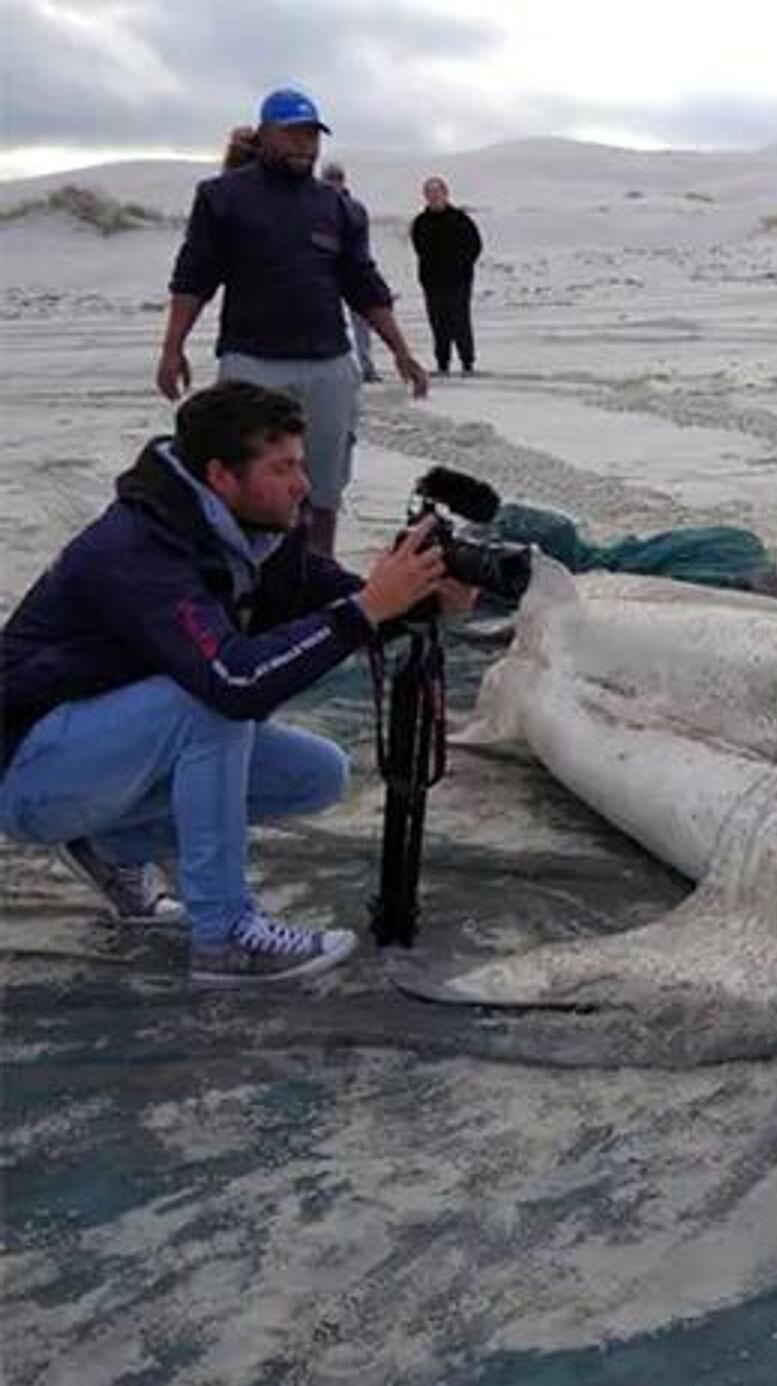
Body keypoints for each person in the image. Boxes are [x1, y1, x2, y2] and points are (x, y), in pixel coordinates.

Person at [0, 382, 466, 985]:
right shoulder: (139, 549)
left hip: (96, 755)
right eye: (283, 468)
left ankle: (113, 845)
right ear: (221, 476)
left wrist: (421, 599)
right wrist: (366, 610)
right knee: (208, 703)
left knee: (317, 773)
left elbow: (340, 600)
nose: (303, 483)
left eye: (300, 464)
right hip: (25, 769)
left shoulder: (253, 532)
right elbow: (237, 681)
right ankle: (225, 937)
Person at [159, 88, 429, 559]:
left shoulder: (339, 208)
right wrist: (171, 348)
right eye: (292, 134)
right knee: (249, 483)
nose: (304, 144)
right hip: (251, 364)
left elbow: (363, 285)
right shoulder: (222, 198)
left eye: (311, 135)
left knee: (321, 486)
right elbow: (194, 276)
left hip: (328, 366)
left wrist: (401, 351)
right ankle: (250, 576)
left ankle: (315, 570)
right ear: (264, 136)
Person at [409, 176, 484, 376]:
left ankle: (467, 362)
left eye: (437, 192)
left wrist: (462, 267)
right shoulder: (420, 222)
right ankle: (443, 363)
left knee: (460, 322)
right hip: (433, 283)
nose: (434, 197)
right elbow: (419, 248)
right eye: (430, 193)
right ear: (425, 196)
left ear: (445, 194)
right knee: (438, 323)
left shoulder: (460, 219)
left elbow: (475, 246)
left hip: (459, 282)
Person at [320, 161, 381, 383]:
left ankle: (366, 366)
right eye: (329, 179)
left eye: (335, 179)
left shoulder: (355, 208)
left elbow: (361, 245)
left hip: (353, 272)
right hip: (325, 274)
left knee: (361, 323)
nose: (332, 184)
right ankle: (336, 367)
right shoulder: (315, 206)